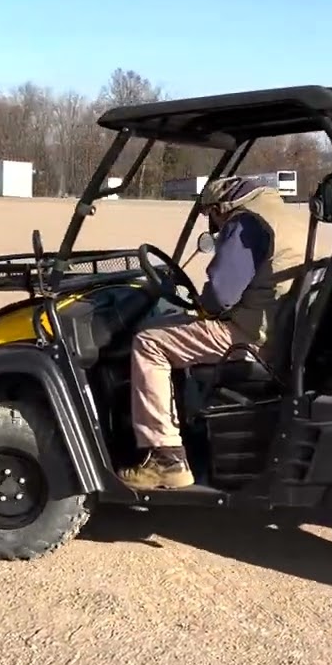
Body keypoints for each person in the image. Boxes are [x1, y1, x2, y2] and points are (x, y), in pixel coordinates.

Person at [119, 176, 310, 490]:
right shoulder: (280, 214)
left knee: (148, 343)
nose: (216, 228)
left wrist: (200, 306)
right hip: (278, 329)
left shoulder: (246, 224)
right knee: (175, 330)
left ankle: (167, 460)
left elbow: (220, 295)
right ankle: (185, 426)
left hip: (249, 337)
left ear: (221, 207)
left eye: (213, 219)